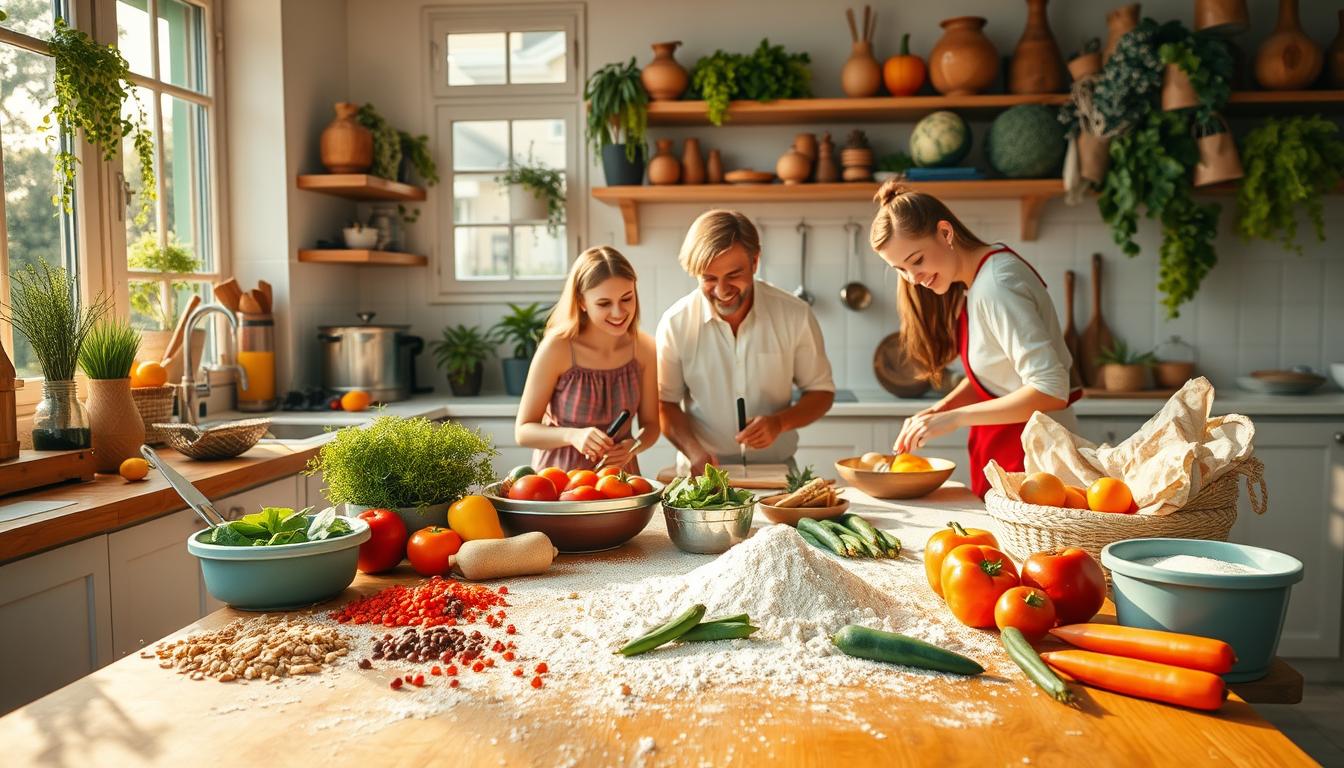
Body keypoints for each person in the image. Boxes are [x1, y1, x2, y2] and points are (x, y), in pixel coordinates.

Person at [869, 181, 1081, 497]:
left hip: (1036, 465)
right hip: (1014, 455)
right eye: (900, 269)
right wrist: (938, 411)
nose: (914, 279)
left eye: (917, 261)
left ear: (945, 233)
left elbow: (1051, 390)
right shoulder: (981, 277)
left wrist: (954, 419)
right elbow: (997, 373)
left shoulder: (997, 285)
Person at [657, 209, 835, 475]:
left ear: (755, 261)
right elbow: (665, 404)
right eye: (708, 278)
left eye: (733, 275)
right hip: (703, 473)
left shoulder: (795, 314)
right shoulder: (676, 323)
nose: (721, 290)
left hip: (777, 472)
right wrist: (695, 452)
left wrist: (779, 423)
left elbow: (821, 392)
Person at [514, 246, 659, 473]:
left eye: (626, 298)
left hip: (619, 481)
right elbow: (523, 431)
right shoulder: (557, 348)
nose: (619, 312)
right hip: (561, 482)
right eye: (604, 303)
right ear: (581, 301)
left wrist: (633, 446)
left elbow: (651, 427)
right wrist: (572, 435)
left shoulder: (645, 348)